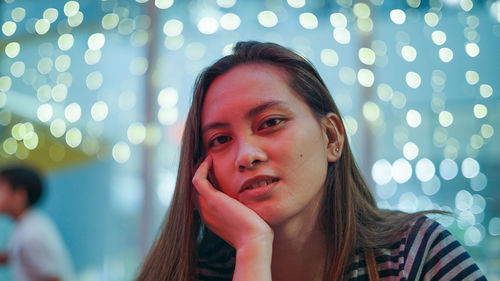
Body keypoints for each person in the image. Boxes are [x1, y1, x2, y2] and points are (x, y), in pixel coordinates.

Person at [136, 41, 486, 281]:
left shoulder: (413, 256)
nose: (246, 155)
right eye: (221, 140)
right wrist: (252, 249)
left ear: (331, 138)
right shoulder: (188, 272)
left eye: (270, 122)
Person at [0, 166, 74, 281]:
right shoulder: (28, 223)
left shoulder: (30, 234)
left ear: (19, 196)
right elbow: (12, 255)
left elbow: (53, 278)